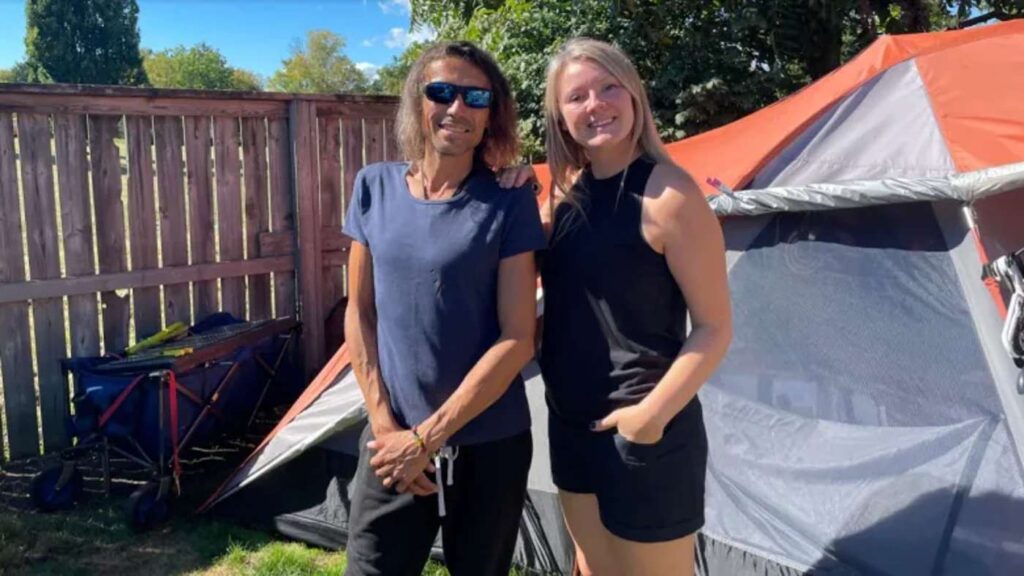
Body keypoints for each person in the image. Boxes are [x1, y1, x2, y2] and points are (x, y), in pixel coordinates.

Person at [341, 40, 546, 576]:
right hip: (391, 443)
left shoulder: (509, 201)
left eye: (476, 97)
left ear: (491, 114)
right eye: (442, 92)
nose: (457, 108)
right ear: (418, 100)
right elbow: (360, 313)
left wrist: (427, 437)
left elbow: (518, 337)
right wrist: (387, 428)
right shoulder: (373, 187)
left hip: (489, 447)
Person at [537, 38, 732, 576]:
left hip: (646, 432)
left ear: (633, 95)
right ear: (559, 117)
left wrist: (649, 418)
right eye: (576, 97)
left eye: (608, 87)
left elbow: (714, 328)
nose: (595, 104)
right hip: (570, 426)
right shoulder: (564, 198)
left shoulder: (670, 195)